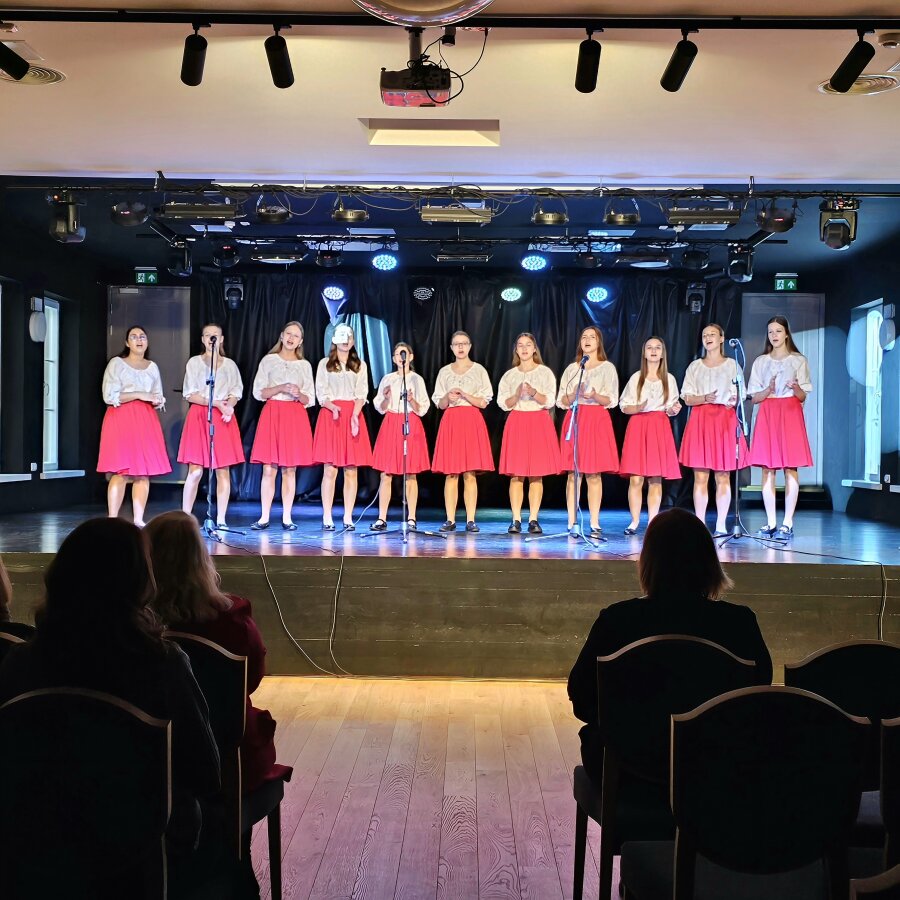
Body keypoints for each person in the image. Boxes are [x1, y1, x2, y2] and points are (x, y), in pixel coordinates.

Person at [0, 518, 220, 852]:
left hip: (37, 839)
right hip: (140, 842)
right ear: (141, 582)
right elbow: (205, 773)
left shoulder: (20, 660)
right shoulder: (164, 663)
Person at [567, 507, 772, 783]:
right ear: (708, 561)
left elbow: (582, 699)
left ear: (648, 561)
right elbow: (758, 695)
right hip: (717, 770)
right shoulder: (739, 623)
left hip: (628, 771)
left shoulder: (617, 620)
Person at [145, 511, 292, 795]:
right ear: (201, 557)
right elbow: (251, 679)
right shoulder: (231, 619)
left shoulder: (131, 622)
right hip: (226, 751)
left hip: (148, 752)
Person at [679, 323, 750, 537]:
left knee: (723, 475)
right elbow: (687, 397)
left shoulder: (732, 365)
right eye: (705, 335)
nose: (708, 338)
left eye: (712, 334)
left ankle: (720, 524)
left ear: (721, 338)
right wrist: (704, 398)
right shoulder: (695, 366)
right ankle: (700, 524)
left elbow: (741, 395)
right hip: (701, 420)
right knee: (700, 476)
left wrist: (733, 400)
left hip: (724, 420)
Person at [97, 325, 171, 528]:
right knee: (121, 470)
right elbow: (109, 396)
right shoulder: (117, 363)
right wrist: (139, 394)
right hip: (121, 418)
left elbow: (157, 394)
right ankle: (112, 518)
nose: (139, 340)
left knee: (142, 472)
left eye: (142, 336)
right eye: (134, 336)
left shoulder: (152, 367)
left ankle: (138, 518)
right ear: (127, 342)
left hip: (145, 419)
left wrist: (157, 399)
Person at [747, 315, 813, 538]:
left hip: (790, 412)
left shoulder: (798, 360)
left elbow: (803, 396)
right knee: (768, 468)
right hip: (768, 411)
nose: (774, 335)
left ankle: (787, 522)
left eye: (778, 331)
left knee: (790, 467)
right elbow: (754, 397)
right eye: (770, 332)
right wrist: (768, 389)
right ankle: (771, 522)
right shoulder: (761, 362)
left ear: (786, 334)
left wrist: (795, 388)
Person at [249, 321, 315, 531]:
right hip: (272, 412)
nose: (291, 338)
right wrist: (280, 388)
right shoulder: (269, 360)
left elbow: (310, 399)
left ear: (300, 341)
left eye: (296, 335)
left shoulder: (304, 365)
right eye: (288, 333)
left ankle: (287, 517)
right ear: (281, 335)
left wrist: (298, 394)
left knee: (290, 469)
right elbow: (258, 392)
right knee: (269, 468)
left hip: (294, 415)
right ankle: (264, 517)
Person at [177, 323, 245, 528]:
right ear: (202, 339)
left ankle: (221, 519)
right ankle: (185, 517)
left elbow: (236, 391)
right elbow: (190, 393)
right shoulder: (194, 363)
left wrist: (229, 407)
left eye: (215, 335)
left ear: (221, 339)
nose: (211, 338)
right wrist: (216, 403)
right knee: (195, 470)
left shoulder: (230, 365)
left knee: (223, 470)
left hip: (223, 416)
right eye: (207, 335)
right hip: (200, 415)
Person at [557, 326, 619, 540]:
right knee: (573, 473)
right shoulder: (573, 368)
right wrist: (575, 393)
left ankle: (594, 521)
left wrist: (594, 395)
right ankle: (571, 521)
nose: (587, 340)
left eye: (592, 337)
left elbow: (612, 399)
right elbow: (561, 400)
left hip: (596, 419)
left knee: (594, 473)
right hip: (575, 417)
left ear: (599, 342)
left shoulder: (607, 368)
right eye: (584, 336)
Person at [497, 332, 561, 535]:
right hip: (517, 421)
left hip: (539, 422)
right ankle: (515, 519)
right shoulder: (510, 375)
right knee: (516, 475)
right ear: (516, 350)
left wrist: (533, 392)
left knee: (536, 474)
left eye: (528, 345)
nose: (524, 348)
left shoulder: (545, 372)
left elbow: (550, 401)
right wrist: (517, 394)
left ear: (534, 349)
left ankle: (533, 519)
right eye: (520, 345)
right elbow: (503, 404)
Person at [431, 331, 495, 533]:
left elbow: (484, 402)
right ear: (451, 347)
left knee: (469, 472)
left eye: (464, 343)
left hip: (471, 420)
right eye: (456, 344)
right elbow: (440, 404)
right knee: (451, 473)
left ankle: (470, 519)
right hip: (451, 421)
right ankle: (450, 519)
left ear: (470, 346)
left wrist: (465, 395)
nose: (460, 347)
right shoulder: (444, 372)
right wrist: (448, 397)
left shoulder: (479, 370)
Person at [619, 336, 682, 535]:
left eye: (657, 348)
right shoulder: (636, 378)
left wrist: (673, 410)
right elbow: (624, 406)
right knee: (636, 479)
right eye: (649, 348)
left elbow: (671, 407)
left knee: (655, 478)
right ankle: (634, 521)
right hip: (638, 425)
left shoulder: (669, 379)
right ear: (644, 353)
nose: (653, 351)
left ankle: (653, 521)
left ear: (662, 353)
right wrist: (638, 407)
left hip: (659, 426)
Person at [313, 323, 372, 531]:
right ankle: (327, 516)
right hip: (332, 415)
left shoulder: (360, 365)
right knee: (330, 470)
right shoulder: (324, 364)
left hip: (352, 414)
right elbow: (321, 393)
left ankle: (348, 516)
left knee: (351, 470)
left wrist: (355, 415)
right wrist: (333, 407)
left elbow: (362, 393)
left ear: (353, 341)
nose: (345, 340)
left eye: (349, 336)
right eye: (341, 336)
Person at [370, 342, 431, 532]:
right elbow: (380, 407)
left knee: (410, 472)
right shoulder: (387, 379)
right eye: (397, 354)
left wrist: (411, 400)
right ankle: (382, 518)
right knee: (386, 473)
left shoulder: (416, 379)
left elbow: (423, 409)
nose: (400, 357)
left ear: (410, 357)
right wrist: (387, 398)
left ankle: (411, 517)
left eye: (403, 354)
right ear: (393, 358)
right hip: (391, 422)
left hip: (410, 422)